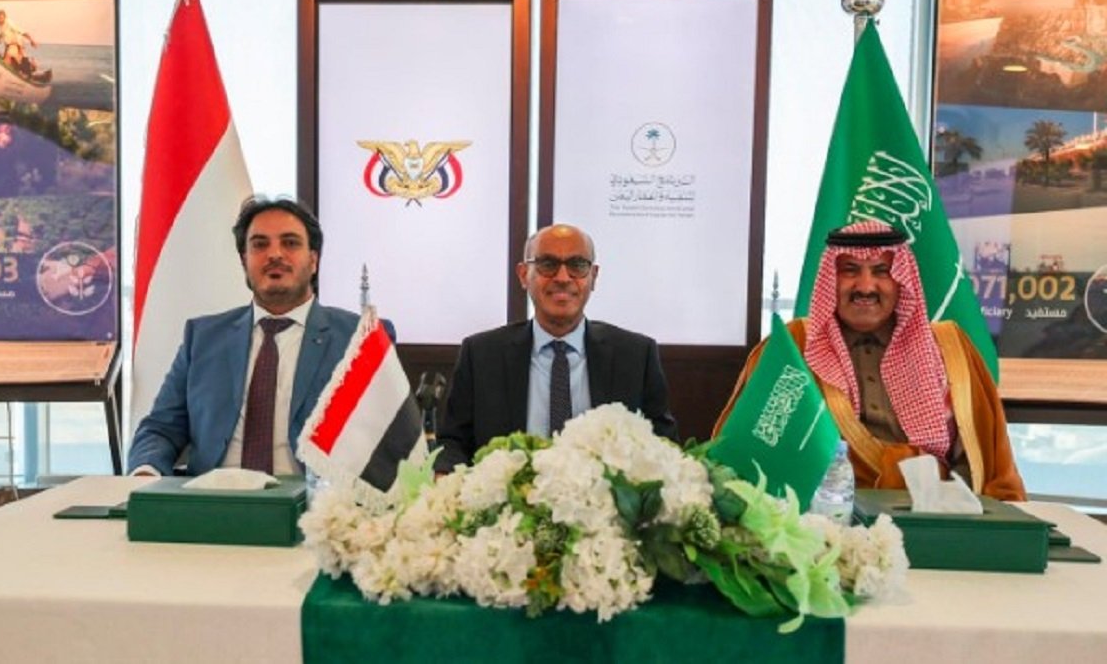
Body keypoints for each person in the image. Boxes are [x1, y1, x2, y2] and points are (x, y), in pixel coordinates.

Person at [714, 220, 1025, 500]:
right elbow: (751, 448)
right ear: (830, 280)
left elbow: (983, 463)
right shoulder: (794, 347)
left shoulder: (949, 347)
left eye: (881, 271)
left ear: (901, 280)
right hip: (825, 518)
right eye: (850, 270)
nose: (865, 287)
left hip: (932, 514)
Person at [128, 196, 367, 476]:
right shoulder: (203, 338)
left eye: (290, 243)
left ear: (313, 260)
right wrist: (145, 472)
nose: (274, 254)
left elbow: (386, 437)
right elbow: (161, 428)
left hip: (315, 498)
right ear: (244, 261)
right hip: (213, 496)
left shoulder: (358, 338)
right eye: (260, 245)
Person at [434, 223, 677, 472]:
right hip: (508, 495)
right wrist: (446, 474)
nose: (562, 278)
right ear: (523, 275)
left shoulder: (636, 355)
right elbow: (453, 442)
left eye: (577, 265)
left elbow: (664, 445)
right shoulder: (481, 355)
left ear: (593, 276)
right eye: (548, 264)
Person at [0, 9, 38, 76]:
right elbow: (1, 33)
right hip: (9, 45)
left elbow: (21, 31)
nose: (1, 19)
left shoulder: (9, 23)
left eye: (2, 18)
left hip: (16, 44)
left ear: (5, 17)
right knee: (14, 63)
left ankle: (31, 67)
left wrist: (31, 40)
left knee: (8, 59)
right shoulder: (1, 25)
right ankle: (28, 69)